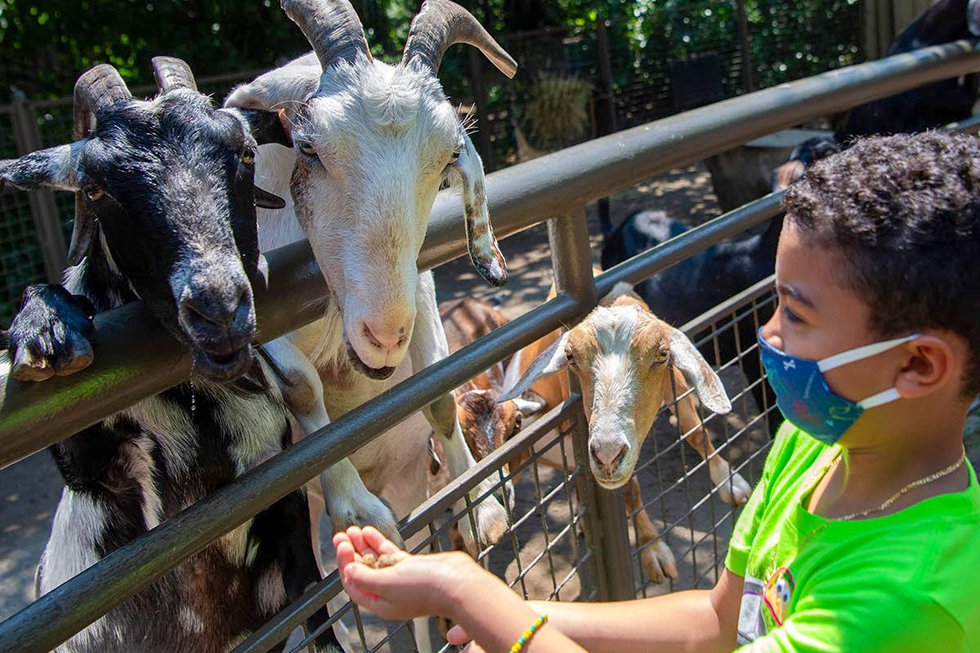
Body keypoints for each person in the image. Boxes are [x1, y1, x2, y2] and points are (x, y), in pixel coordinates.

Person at [335, 131, 980, 652]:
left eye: (795, 314)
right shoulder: (813, 450)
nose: (766, 330)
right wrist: (515, 610)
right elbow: (717, 620)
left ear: (919, 366)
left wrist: (467, 594)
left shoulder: (905, 602)